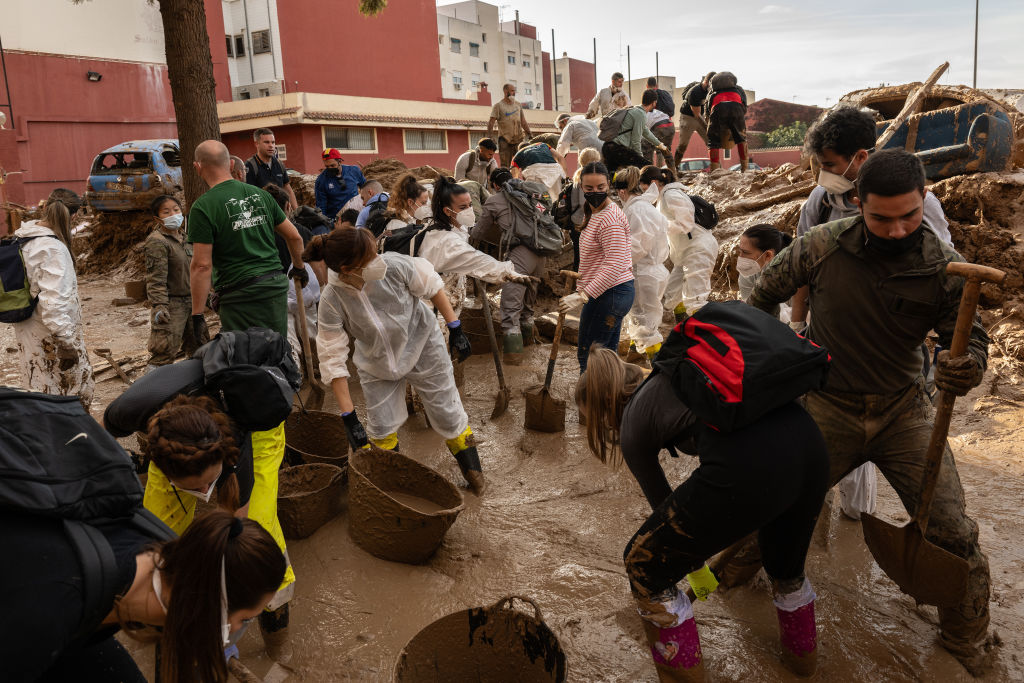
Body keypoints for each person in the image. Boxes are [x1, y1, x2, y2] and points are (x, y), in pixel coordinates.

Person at [745, 149, 994, 675]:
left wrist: (964, 366)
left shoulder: (943, 267)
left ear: (925, 198)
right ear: (858, 203)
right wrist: (775, 362)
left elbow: (969, 342)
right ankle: (728, 578)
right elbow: (761, 297)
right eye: (882, 218)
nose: (899, 229)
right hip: (827, 406)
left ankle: (966, 636)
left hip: (906, 413)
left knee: (952, 529)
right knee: (765, 504)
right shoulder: (819, 247)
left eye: (910, 215)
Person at [576, 347, 829, 680]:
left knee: (644, 564)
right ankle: (803, 669)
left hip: (754, 464)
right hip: (811, 448)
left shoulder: (634, 423)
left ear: (605, 405)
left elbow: (668, 515)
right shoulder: (674, 375)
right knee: (786, 571)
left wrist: (696, 572)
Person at [102, 359, 297, 663]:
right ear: (165, 469)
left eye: (211, 484)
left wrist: (224, 615)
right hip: (177, 431)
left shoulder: (234, 448)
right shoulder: (129, 412)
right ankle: (159, 619)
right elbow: (95, 442)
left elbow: (236, 536)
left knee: (258, 537)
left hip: (257, 427)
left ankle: (277, 638)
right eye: (197, 487)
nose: (207, 493)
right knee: (157, 535)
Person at [7, 504, 285, 683]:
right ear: (213, 607)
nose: (238, 630)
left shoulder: (171, 556)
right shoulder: (49, 611)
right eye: (245, 619)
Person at [310, 226, 487, 495]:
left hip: (422, 344)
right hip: (376, 362)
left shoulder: (394, 266)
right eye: (369, 259)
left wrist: (456, 327)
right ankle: (395, 489)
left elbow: (432, 286)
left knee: (448, 411)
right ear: (347, 269)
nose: (377, 261)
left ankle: (476, 478)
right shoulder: (332, 300)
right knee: (380, 427)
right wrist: (348, 418)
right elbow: (332, 359)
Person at [793, 106, 954, 329]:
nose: (823, 174)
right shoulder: (821, 201)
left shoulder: (916, 203)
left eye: (830, 165)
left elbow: (941, 271)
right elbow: (801, 266)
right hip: (828, 328)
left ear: (860, 157)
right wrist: (797, 324)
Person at [188, 139, 307, 340]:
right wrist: (299, 267)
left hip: (239, 297)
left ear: (197, 167)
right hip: (273, 288)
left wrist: (197, 314)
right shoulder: (261, 195)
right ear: (232, 165)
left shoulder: (202, 208)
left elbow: (201, 265)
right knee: (277, 348)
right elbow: (294, 236)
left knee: (247, 359)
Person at [392, 176, 531, 334]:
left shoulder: (454, 226)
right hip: (434, 314)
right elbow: (476, 261)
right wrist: (509, 272)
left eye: (470, 205)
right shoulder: (444, 241)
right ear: (447, 210)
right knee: (438, 356)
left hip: (446, 308)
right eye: (463, 207)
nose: (469, 210)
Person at [9, 188, 94, 409]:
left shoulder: (24, 239)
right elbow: (53, 303)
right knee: (72, 396)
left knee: (40, 392)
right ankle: (72, 441)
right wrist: (65, 342)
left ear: (45, 208)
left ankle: (48, 440)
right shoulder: (53, 249)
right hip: (52, 335)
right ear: (73, 216)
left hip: (29, 328)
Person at [558, 162, 635, 372]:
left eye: (601, 187)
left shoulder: (609, 219)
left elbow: (615, 263)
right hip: (607, 293)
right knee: (606, 358)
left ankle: (592, 403)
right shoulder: (593, 212)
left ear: (608, 185)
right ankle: (609, 399)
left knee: (589, 357)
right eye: (589, 188)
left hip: (610, 294)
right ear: (580, 186)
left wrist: (582, 295)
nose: (595, 193)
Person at [471, 168, 547, 362]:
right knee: (528, 306)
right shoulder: (530, 195)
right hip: (542, 253)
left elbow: (479, 231)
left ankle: (514, 361)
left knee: (510, 309)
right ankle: (530, 346)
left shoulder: (494, 200)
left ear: (495, 185)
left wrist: (467, 243)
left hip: (521, 253)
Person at [638, 166, 716, 320]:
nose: (644, 193)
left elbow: (685, 223)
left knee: (696, 298)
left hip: (698, 250)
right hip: (684, 253)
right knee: (673, 293)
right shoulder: (664, 197)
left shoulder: (671, 195)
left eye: (644, 189)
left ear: (654, 183)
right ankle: (681, 324)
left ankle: (702, 334)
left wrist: (658, 225)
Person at [263, 184, 321, 375]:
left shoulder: (261, 234)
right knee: (310, 331)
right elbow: (317, 262)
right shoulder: (301, 231)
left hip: (276, 291)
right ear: (288, 206)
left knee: (288, 334)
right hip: (304, 291)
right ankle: (316, 365)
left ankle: (296, 372)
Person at [614, 166, 669, 358]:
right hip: (651, 272)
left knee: (646, 327)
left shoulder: (637, 210)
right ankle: (635, 357)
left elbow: (638, 246)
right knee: (641, 321)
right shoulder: (645, 206)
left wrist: (614, 264)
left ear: (622, 191)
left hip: (644, 274)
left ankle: (656, 370)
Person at [144, 195, 199, 372]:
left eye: (176, 210)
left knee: (200, 348)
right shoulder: (157, 241)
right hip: (172, 304)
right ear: (157, 218)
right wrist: (160, 305)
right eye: (166, 212)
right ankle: (151, 393)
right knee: (164, 351)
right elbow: (156, 278)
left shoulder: (186, 238)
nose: (173, 214)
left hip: (192, 302)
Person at [603, 92, 669, 173]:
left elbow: (646, 132)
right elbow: (635, 141)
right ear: (654, 102)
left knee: (612, 176)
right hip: (617, 150)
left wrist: (659, 144)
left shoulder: (634, 110)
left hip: (608, 147)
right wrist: (641, 160)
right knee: (647, 168)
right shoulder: (640, 114)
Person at [563, 147, 603, 272]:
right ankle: (580, 286)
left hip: (579, 222)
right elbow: (583, 203)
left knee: (580, 257)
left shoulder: (580, 176)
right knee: (582, 259)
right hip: (582, 223)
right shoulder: (584, 178)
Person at [736, 224, 792, 307]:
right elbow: (750, 311)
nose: (740, 257)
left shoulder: (795, 271)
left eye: (746, 252)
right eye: (740, 251)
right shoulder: (749, 273)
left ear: (768, 255)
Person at [704, 72, 749, 172]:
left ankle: (715, 170)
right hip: (737, 110)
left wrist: (712, 128)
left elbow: (708, 112)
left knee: (713, 142)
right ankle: (744, 169)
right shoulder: (739, 90)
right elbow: (744, 107)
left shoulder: (711, 93)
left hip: (718, 110)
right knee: (742, 139)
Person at [244, 127, 298, 211]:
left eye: (273, 142)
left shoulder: (279, 164)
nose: (271, 145)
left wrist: (296, 212)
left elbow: (288, 190)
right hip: (263, 214)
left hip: (282, 214)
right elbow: (248, 196)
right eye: (266, 142)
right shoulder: (250, 166)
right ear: (256, 144)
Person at [673, 73, 714, 167]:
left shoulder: (711, 91)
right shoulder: (695, 92)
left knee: (711, 142)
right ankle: (675, 167)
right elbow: (696, 114)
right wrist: (707, 128)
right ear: (706, 82)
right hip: (688, 117)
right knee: (683, 144)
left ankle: (716, 166)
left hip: (701, 115)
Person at [488, 83, 533, 167]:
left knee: (523, 163)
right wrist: (490, 137)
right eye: (512, 91)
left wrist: (529, 133)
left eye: (514, 91)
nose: (514, 93)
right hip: (505, 140)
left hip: (518, 139)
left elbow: (523, 121)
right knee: (505, 166)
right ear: (505, 91)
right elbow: (491, 122)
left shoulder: (518, 105)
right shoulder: (498, 106)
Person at [315, 148, 366, 222]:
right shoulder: (321, 180)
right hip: (336, 220)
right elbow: (321, 207)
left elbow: (366, 188)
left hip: (357, 216)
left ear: (340, 161)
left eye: (332, 165)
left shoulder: (354, 171)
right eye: (327, 166)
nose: (330, 168)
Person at [643, 78, 676, 166]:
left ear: (646, 86)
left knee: (647, 147)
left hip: (657, 126)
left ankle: (651, 171)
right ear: (657, 85)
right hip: (669, 125)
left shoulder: (650, 96)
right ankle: (672, 172)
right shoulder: (665, 94)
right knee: (665, 150)